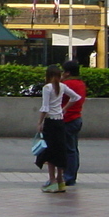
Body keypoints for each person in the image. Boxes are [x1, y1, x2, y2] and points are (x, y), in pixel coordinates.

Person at [36, 64, 80, 194]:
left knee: (50, 152)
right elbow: (76, 97)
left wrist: (39, 122)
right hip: (60, 121)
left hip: (50, 122)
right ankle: (60, 181)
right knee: (60, 151)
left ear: (48, 75)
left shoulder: (47, 88)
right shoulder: (62, 86)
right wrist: (64, 109)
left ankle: (52, 181)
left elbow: (45, 107)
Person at [60, 59, 88, 187]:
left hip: (67, 119)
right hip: (76, 117)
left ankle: (68, 176)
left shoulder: (67, 84)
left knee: (68, 150)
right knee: (73, 149)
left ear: (67, 72)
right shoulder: (80, 83)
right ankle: (71, 175)